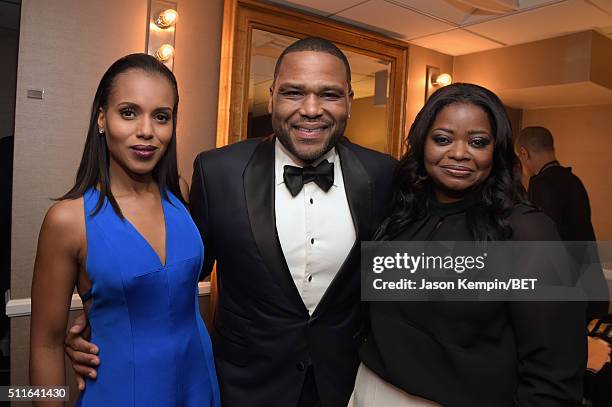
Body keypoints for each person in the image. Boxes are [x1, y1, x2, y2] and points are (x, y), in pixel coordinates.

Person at [64, 38, 396, 406]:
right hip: (242, 387)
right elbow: (181, 274)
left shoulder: (382, 175)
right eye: (293, 92)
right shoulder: (217, 171)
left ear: (349, 99)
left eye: (329, 94)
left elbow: (398, 283)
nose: (311, 109)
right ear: (271, 97)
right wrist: (107, 325)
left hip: (345, 386)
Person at [351, 83, 587, 406]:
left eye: (477, 142)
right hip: (368, 390)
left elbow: (554, 374)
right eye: (442, 139)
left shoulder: (526, 231)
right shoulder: (402, 213)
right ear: (422, 145)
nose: (459, 153)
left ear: (497, 150)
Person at [30, 54, 220, 406]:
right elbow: (45, 344)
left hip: (199, 386)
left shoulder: (180, 192)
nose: (146, 130)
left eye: (161, 116)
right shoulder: (68, 220)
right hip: (122, 392)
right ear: (102, 118)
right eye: (129, 112)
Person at [516, 125, 596, 242]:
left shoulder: (541, 184)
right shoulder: (573, 180)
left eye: (519, 156)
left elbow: (541, 238)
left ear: (524, 153)